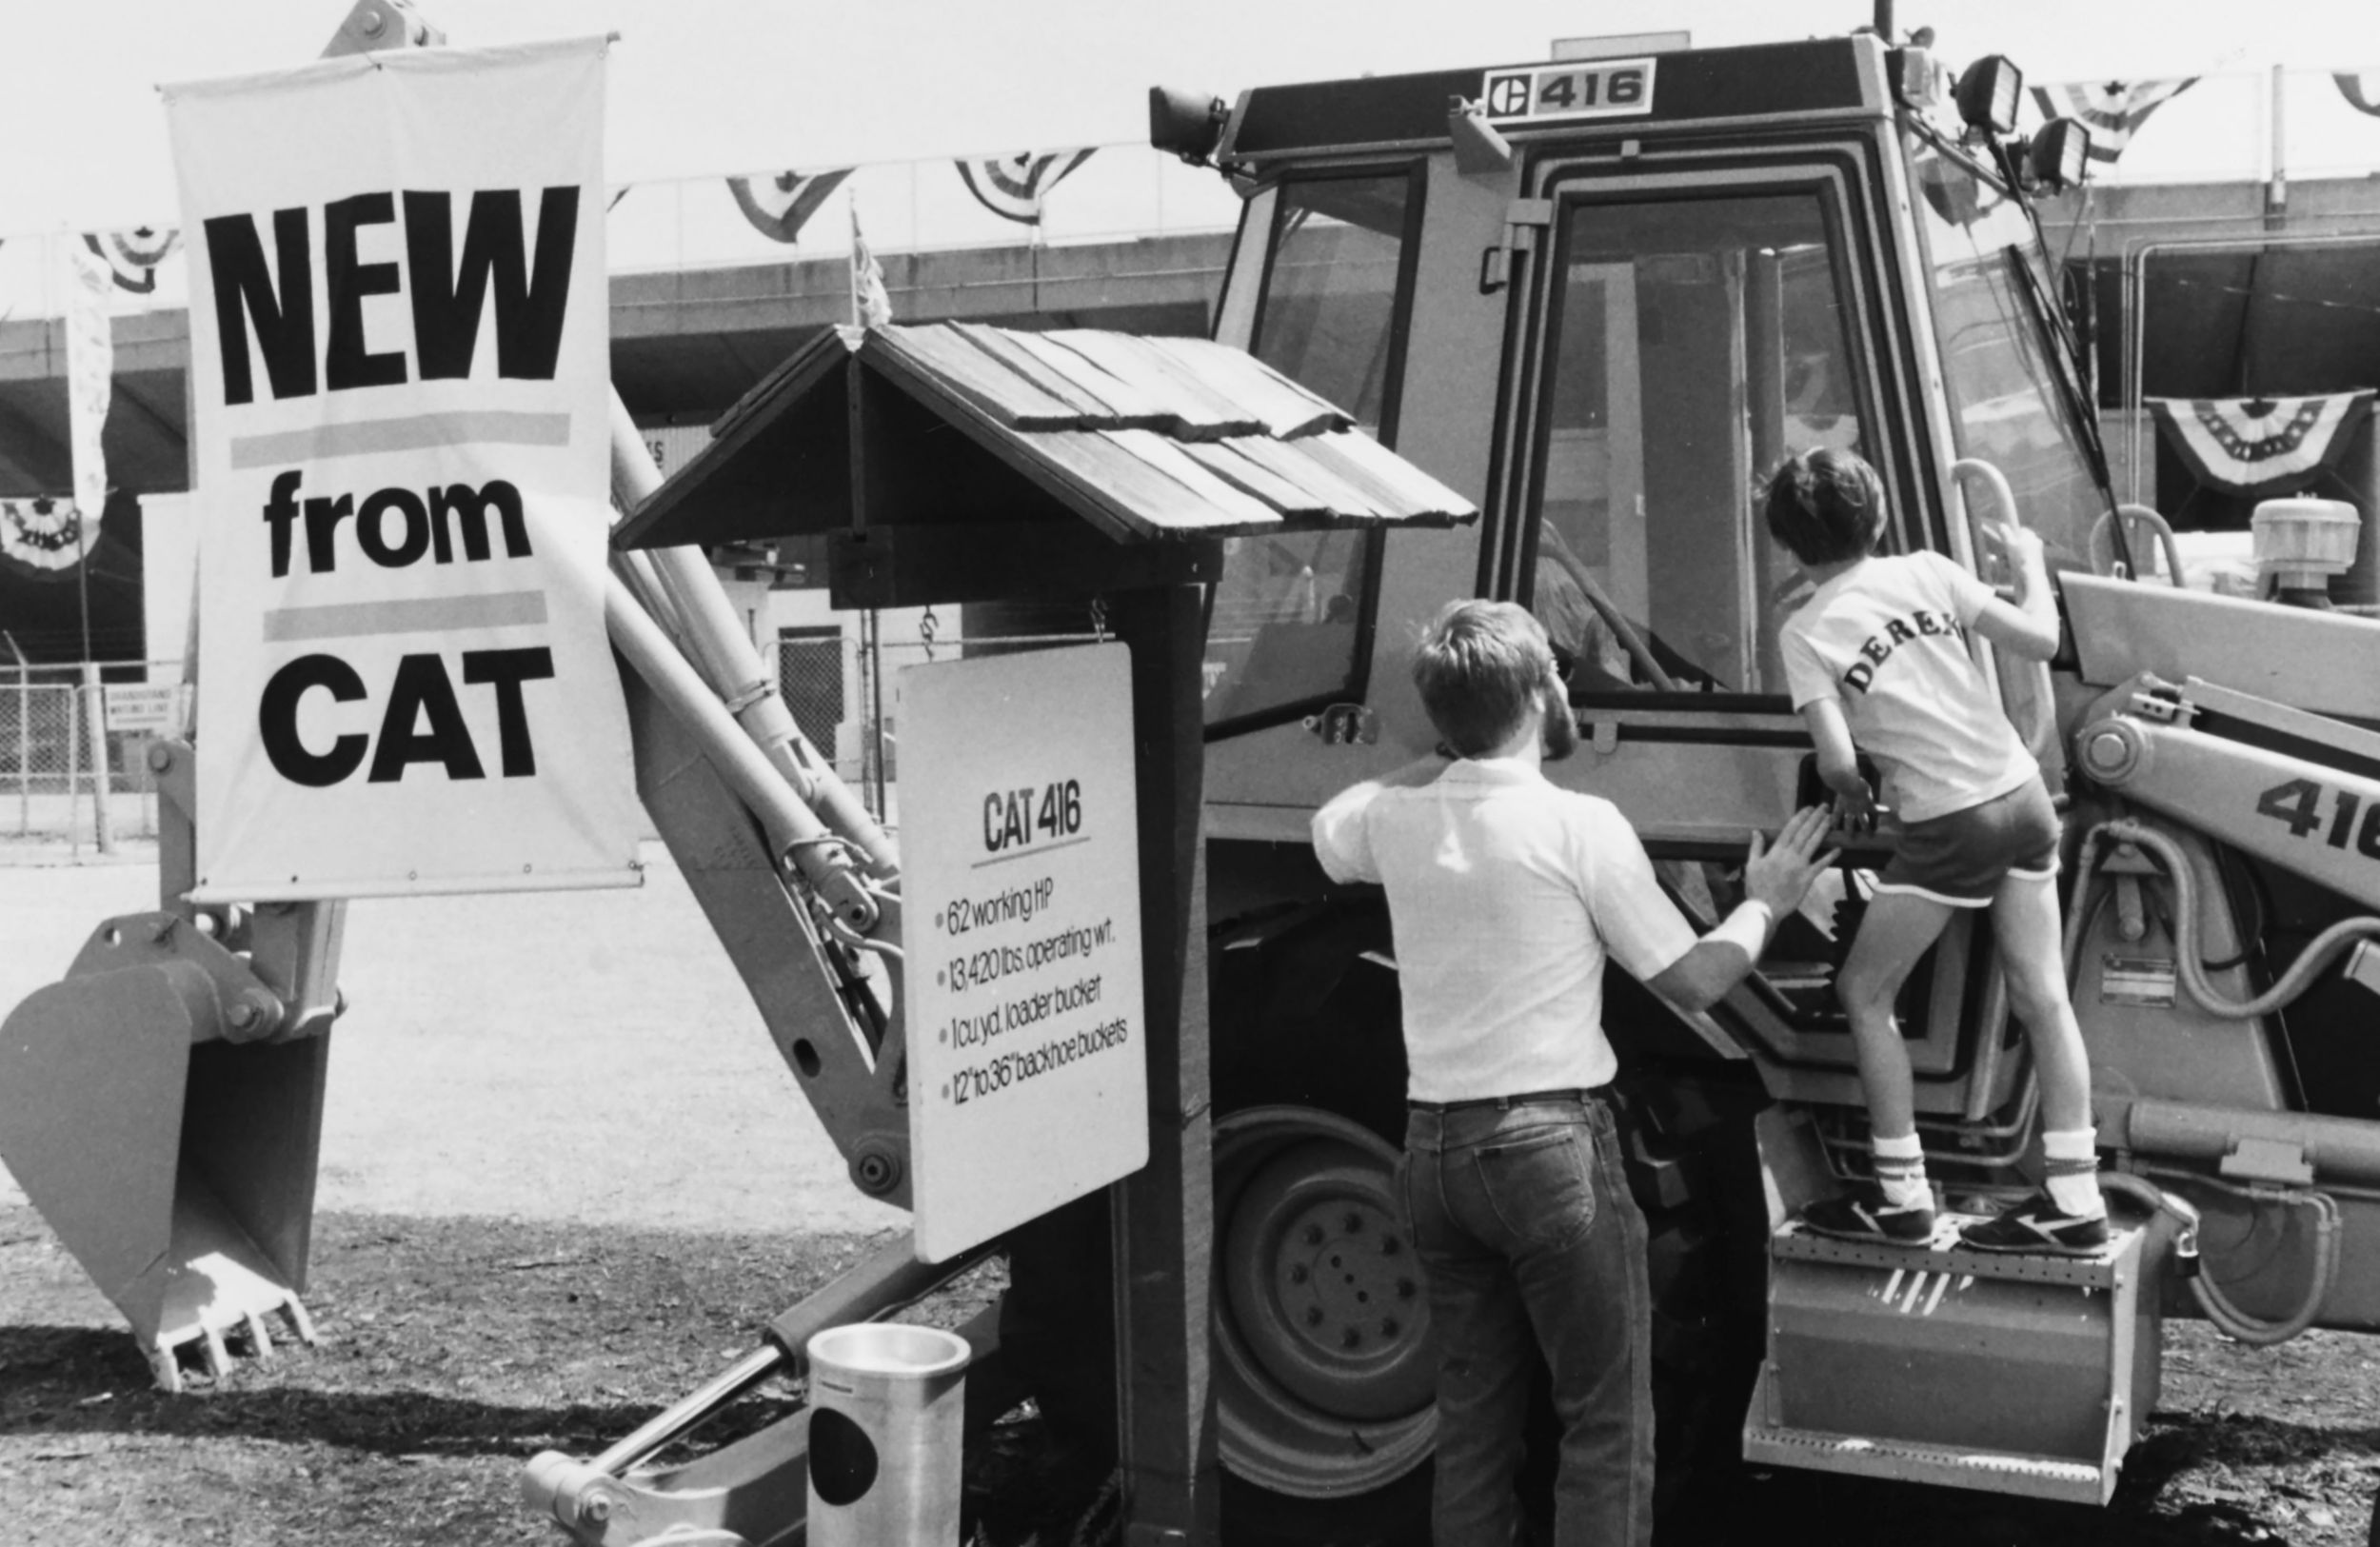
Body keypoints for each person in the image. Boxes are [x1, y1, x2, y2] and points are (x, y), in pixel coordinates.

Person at [1311, 599, 1834, 1547]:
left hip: (1432, 1153)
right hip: (1549, 1150)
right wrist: (1765, 902)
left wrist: (1445, 756)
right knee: (1604, 1414)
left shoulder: (1393, 819)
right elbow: (1696, 976)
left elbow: (1329, 821)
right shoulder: (1579, 823)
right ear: (1541, 693)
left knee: (1473, 1413)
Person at [1764, 446, 2108, 1255]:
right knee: (2044, 996)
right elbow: (2040, 636)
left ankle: (1902, 1197)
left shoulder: (1805, 631)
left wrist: (1853, 798)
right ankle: (2074, 1196)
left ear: (1788, 545)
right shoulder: (1927, 569)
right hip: (2022, 798)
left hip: (1951, 825)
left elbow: (1838, 760)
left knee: (1865, 992)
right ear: (1877, 517)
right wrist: (2026, 563)